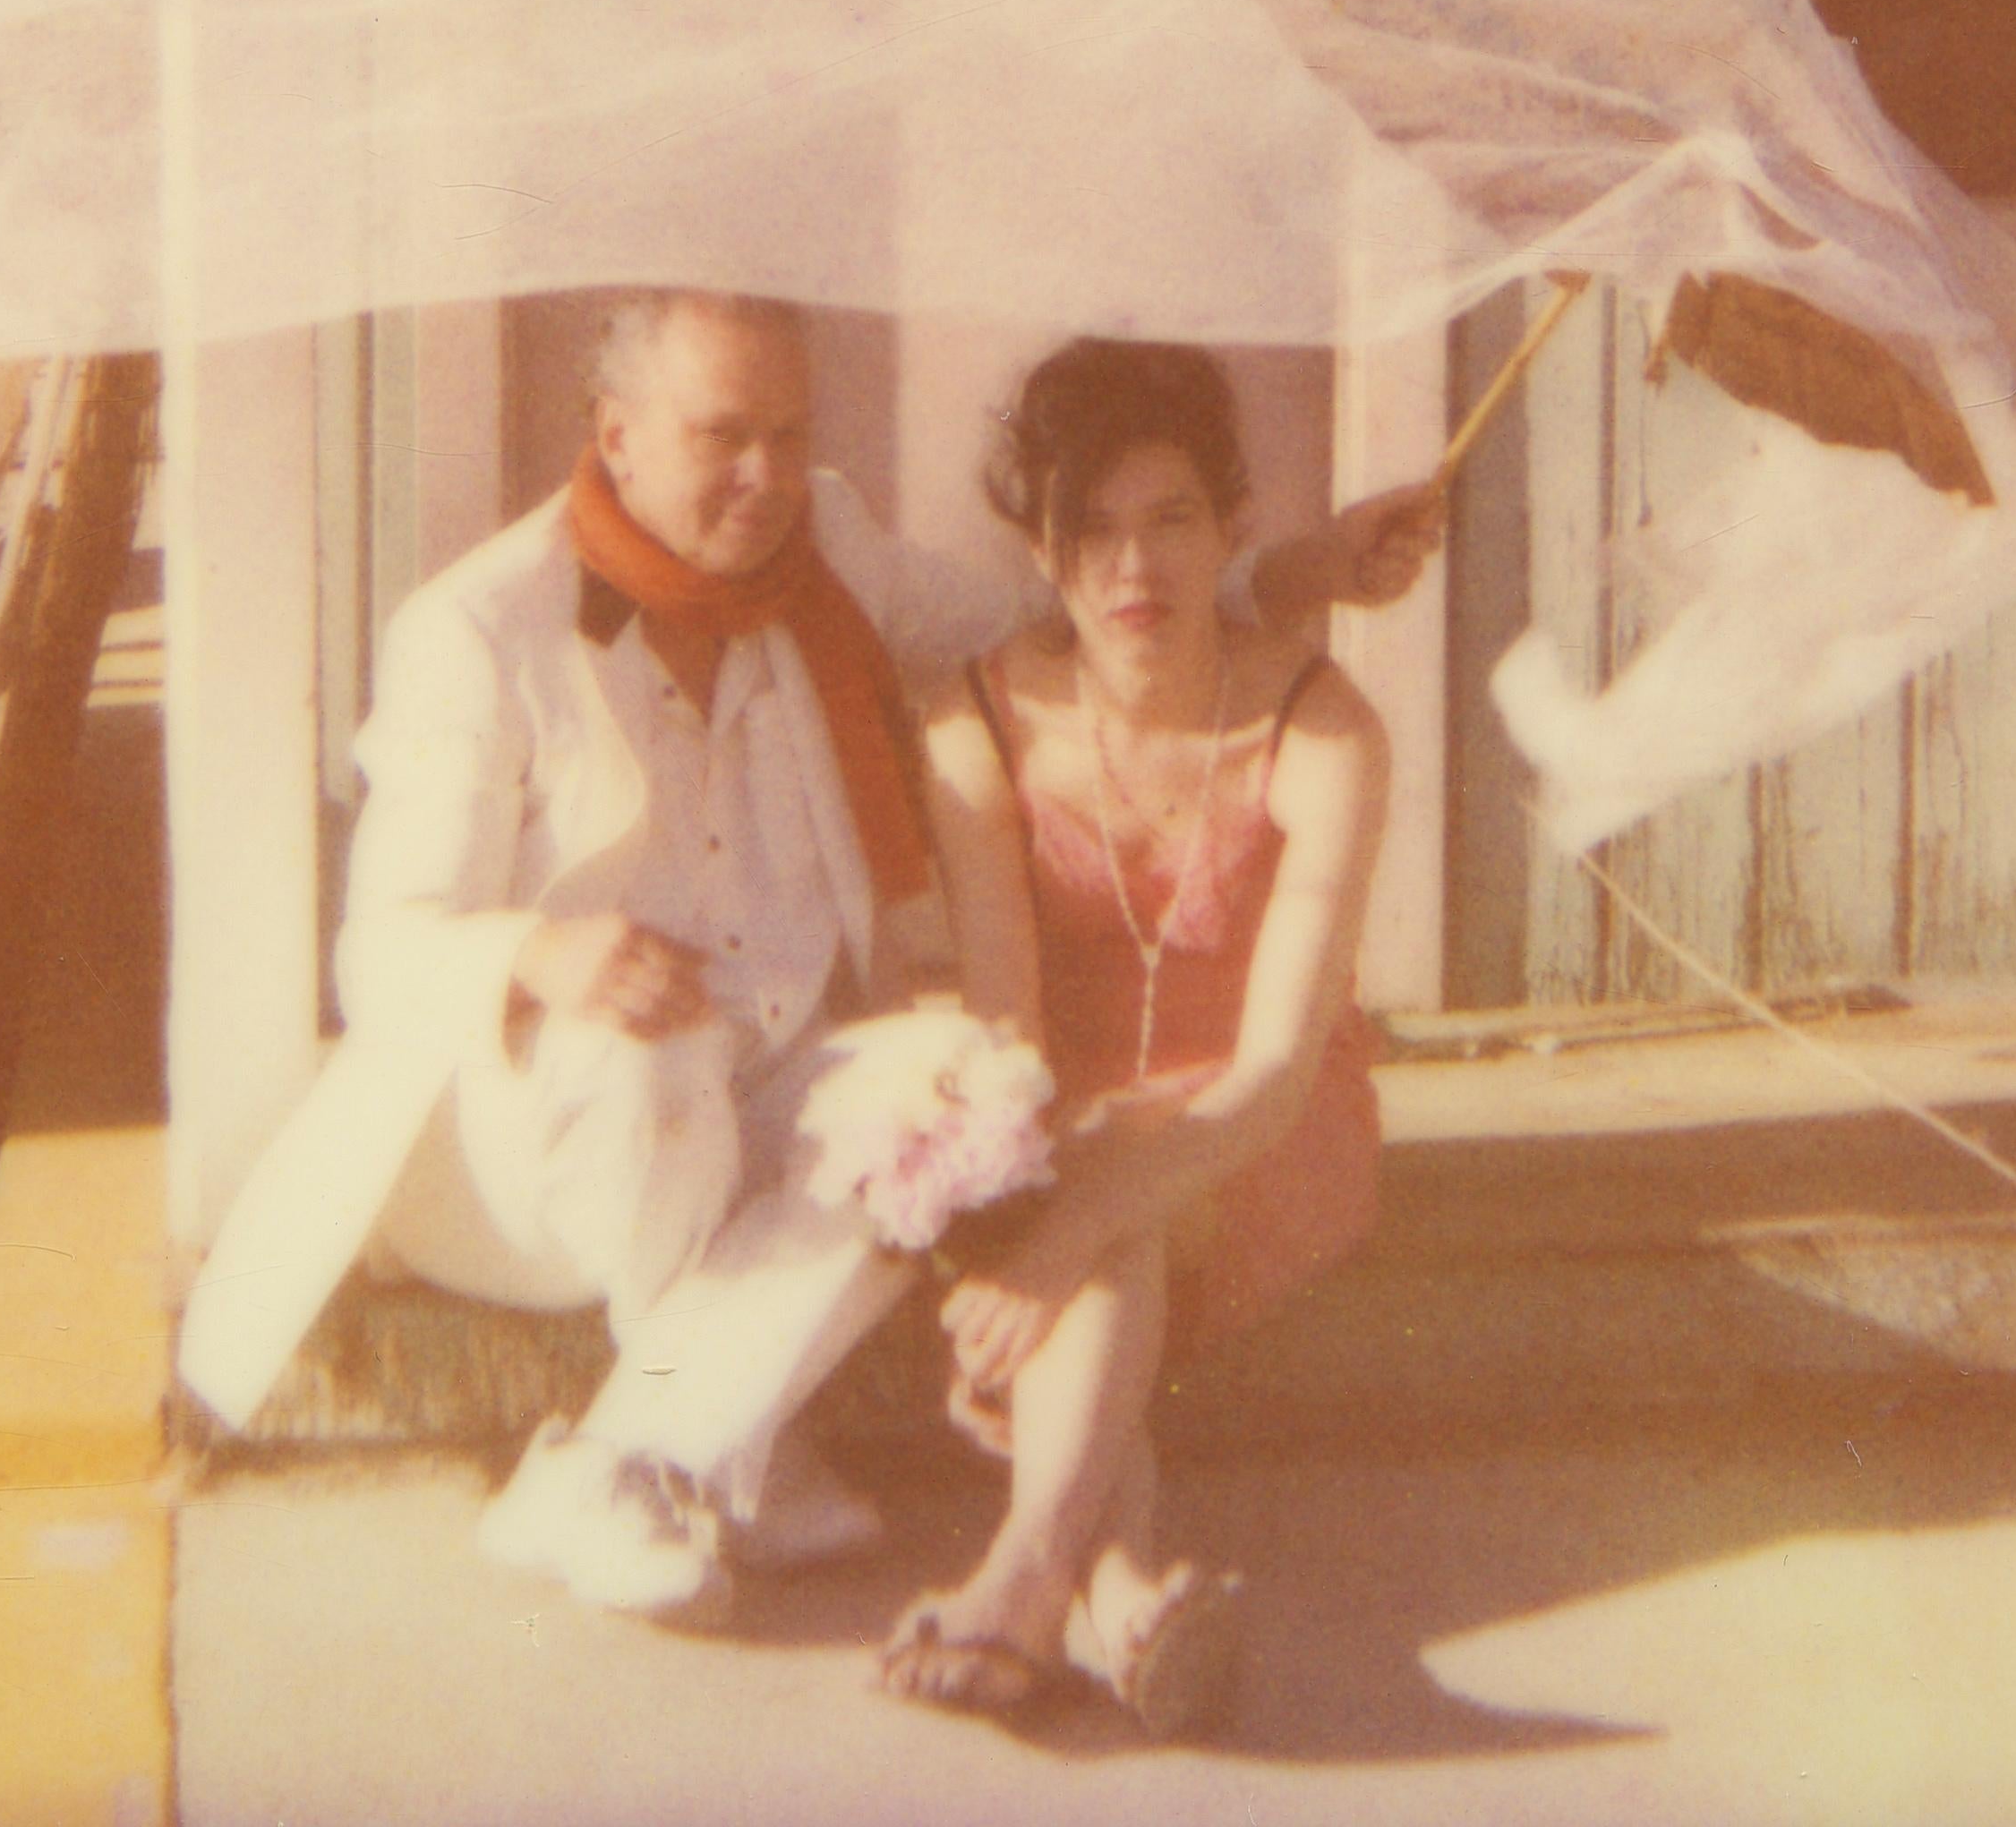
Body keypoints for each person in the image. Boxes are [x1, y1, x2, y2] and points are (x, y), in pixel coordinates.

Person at [172, 288, 1427, 1635]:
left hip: (743, 1101)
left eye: (788, 433)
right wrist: (539, 948)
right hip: (519, 1147)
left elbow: (1057, 603)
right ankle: (708, 1448)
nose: (766, 477)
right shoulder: (477, 630)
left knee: (958, 1094)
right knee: (636, 1042)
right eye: (723, 438)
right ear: (619, 435)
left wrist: (1300, 576)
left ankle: (636, 1457)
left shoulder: (819, 546)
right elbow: (381, 954)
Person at [880, 337, 1438, 1738]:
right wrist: (1023, 1207)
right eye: (1096, 531)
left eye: (1174, 520)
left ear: (1234, 525)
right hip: (1064, 1113)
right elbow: (1007, 1041)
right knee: (1085, 1152)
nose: (1138, 570)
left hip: (1268, 1132)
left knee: (1114, 1191)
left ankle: (1015, 1576)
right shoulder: (980, 723)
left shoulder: (1325, 731)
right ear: (1042, 548)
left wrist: (1051, 1245)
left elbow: (1266, 1078)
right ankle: (1117, 1599)